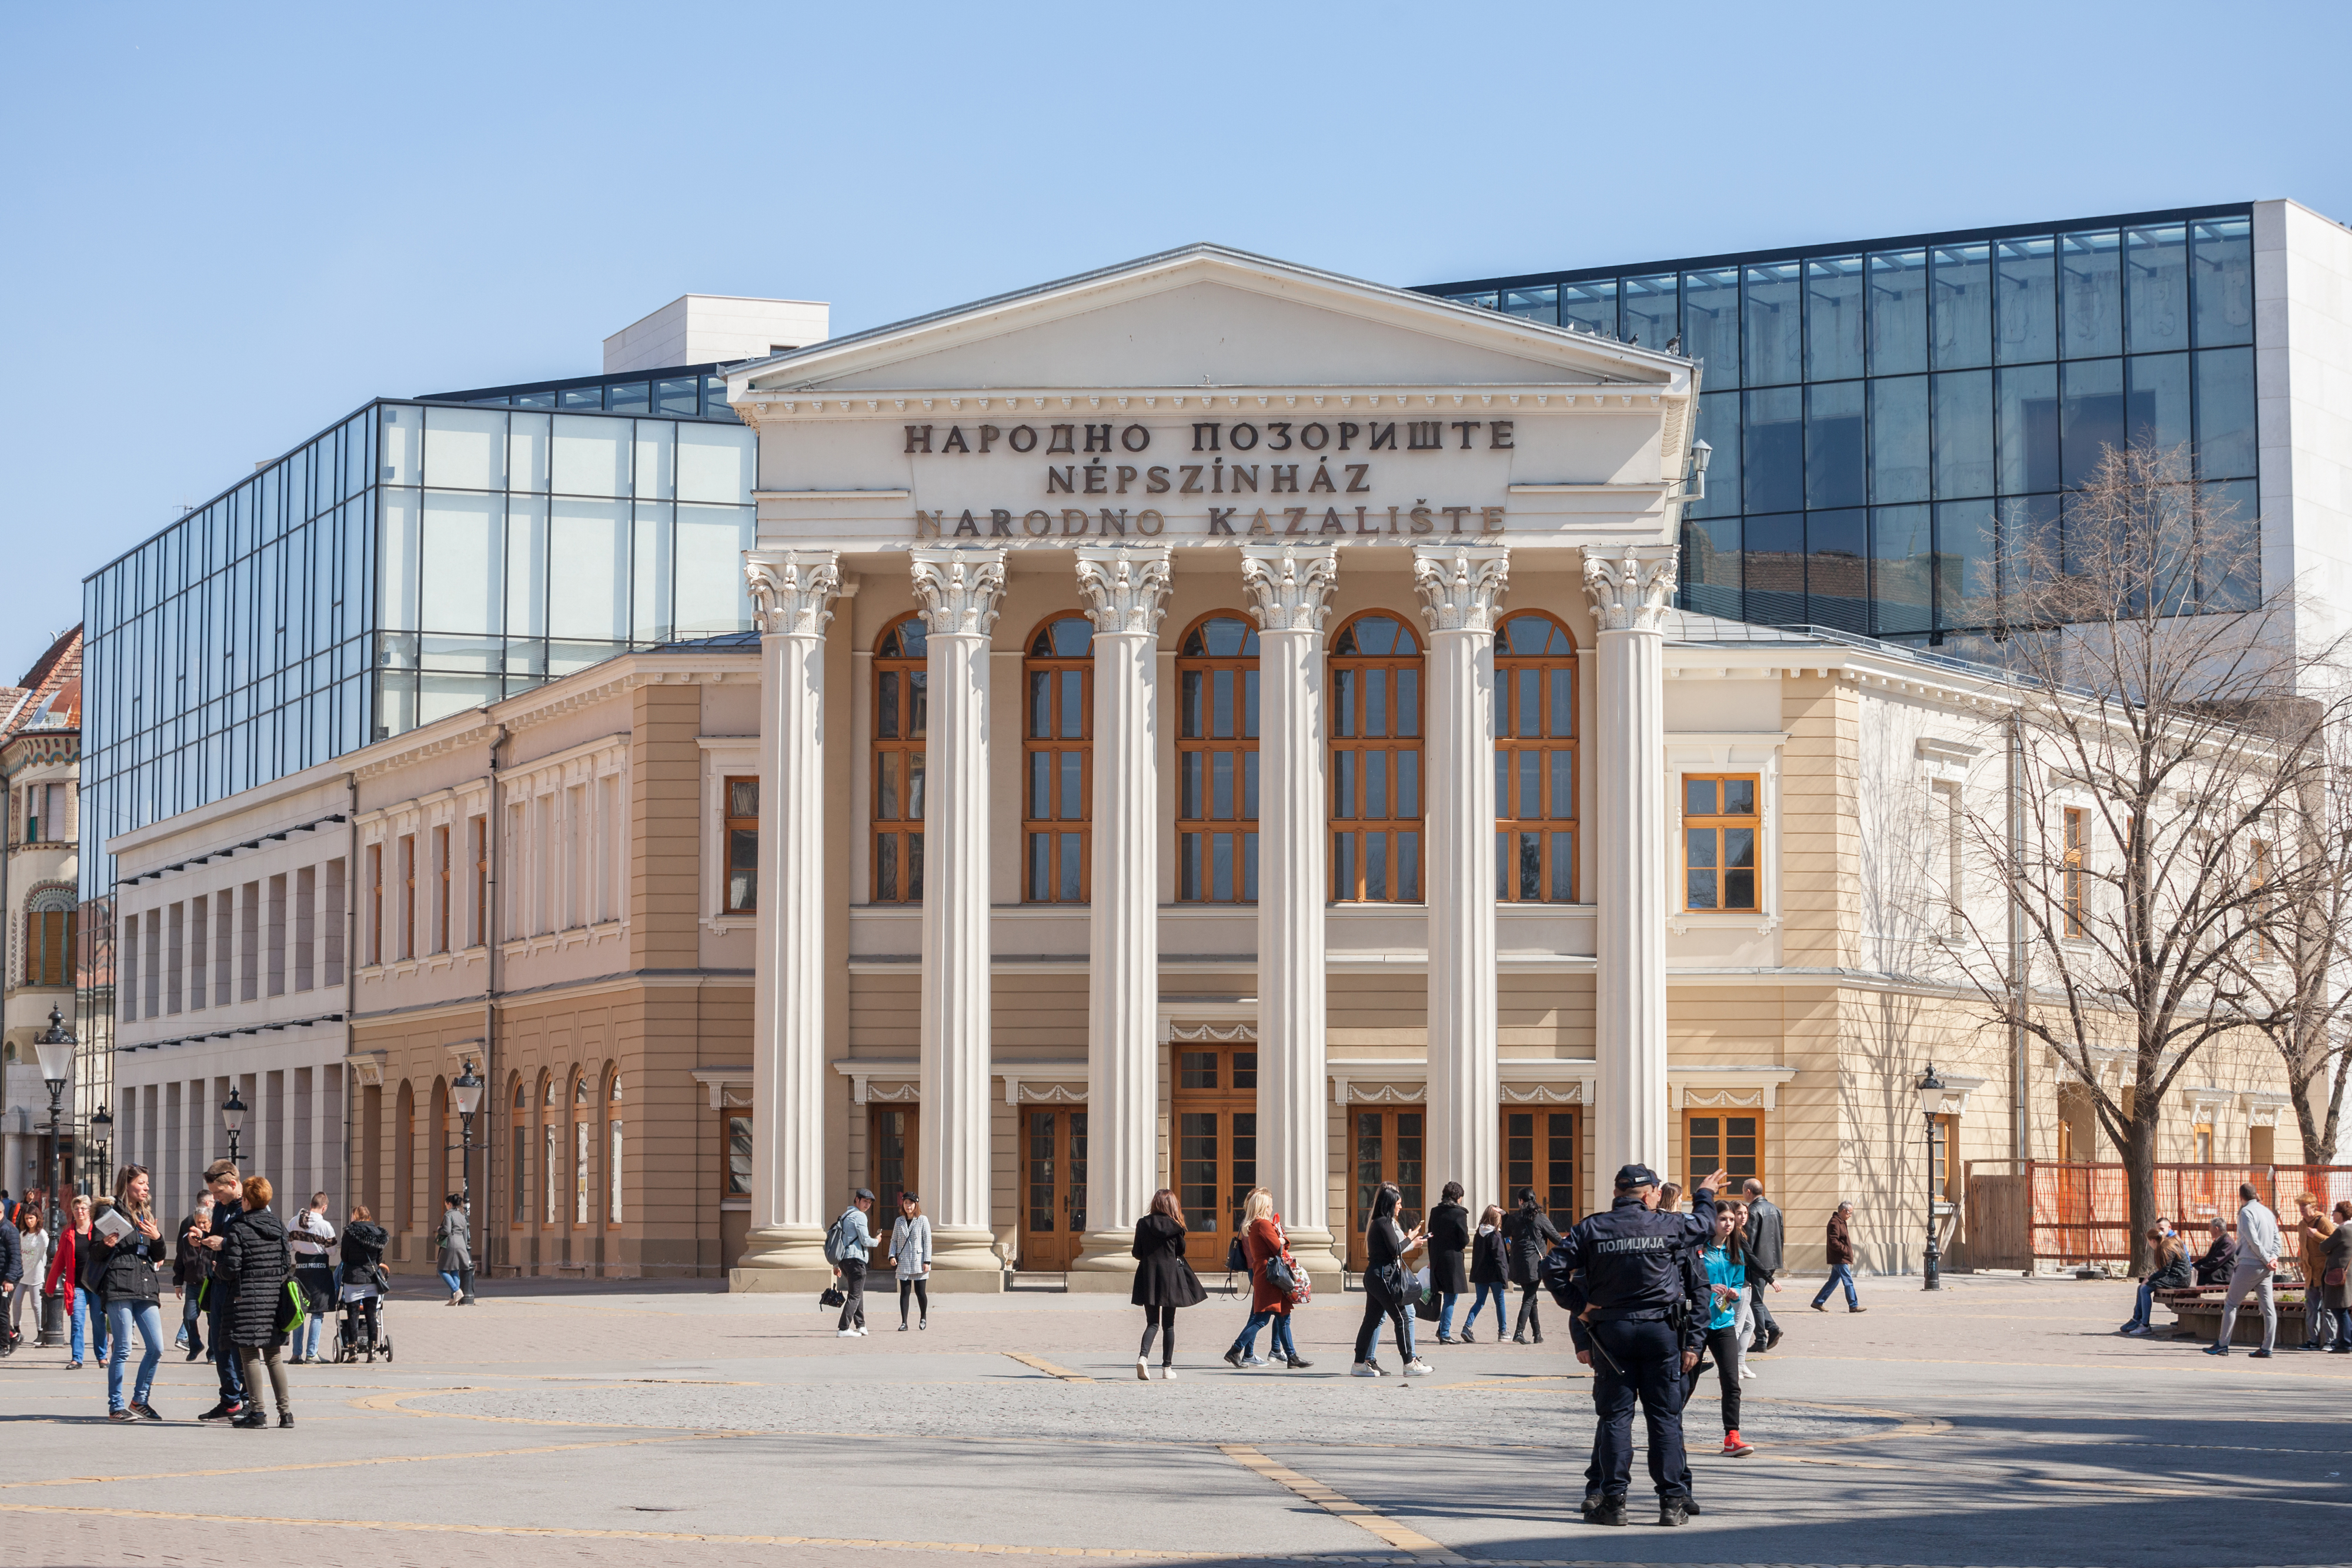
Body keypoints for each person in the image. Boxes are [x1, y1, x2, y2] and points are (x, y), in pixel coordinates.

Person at [1552, 1164, 1726, 1528]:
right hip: (1659, 1332)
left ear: (1616, 1194)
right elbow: (1704, 1226)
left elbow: (1552, 1268)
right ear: (1650, 1195)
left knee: (1616, 1418)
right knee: (1664, 1417)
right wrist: (1705, 1193)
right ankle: (1671, 1502)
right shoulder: (1665, 1225)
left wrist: (1579, 1305)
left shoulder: (1592, 1228)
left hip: (1612, 1333)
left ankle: (1614, 1502)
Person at [218, 1175, 294, 1429]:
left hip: (247, 1299)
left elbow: (232, 1268)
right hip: (274, 1299)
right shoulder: (278, 1225)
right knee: (274, 1356)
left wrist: (218, 1269)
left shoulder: (239, 1227)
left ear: (247, 1201)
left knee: (249, 1354)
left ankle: (258, 1413)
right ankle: (286, 1414)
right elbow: (286, 1264)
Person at [94, 1166, 168, 1423]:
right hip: (118, 1283)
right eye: (142, 1182)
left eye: (147, 1183)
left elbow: (158, 1255)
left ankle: (140, 1400)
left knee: (157, 1347)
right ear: (127, 1184)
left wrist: (157, 1238)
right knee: (123, 1347)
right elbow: (95, 1252)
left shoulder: (145, 1213)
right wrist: (105, 1244)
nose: (147, 1187)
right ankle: (116, 1406)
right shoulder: (109, 1210)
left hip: (145, 1284)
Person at [186, 1162, 248, 1417]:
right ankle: (230, 1399)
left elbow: (254, 1242)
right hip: (219, 1281)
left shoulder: (250, 1206)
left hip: (242, 1286)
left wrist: (224, 1243)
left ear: (233, 1184)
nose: (216, 1200)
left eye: (219, 1194)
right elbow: (221, 1239)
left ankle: (248, 1399)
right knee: (218, 1342)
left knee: (238, 1344)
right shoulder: (222, 1208)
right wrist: (202, 1240)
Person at [1224, 1188, 1311, 1370]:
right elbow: (1278, 1248)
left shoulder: (1255, 1225)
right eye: (1270, 1206)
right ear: (1264, 1207)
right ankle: (1235, 1350)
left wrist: (1281, 1240)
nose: (1272, 1209)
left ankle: (1292, 1356)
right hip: (1270, 1275)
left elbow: (1279, 1243)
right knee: (1262, 1318)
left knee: (1283, 1316)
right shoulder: (1263, 1224)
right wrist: (1282, 1239)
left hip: (1268, 1274)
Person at [1351, 1182, 1429, 1376]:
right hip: (1382, 1276)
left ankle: (1359, 1363)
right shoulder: (1383, 1222)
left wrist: (1408, 1239)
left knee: (1371, 1320)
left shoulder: (1380, 1222)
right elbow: (1395, 1249)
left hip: (1375, 1275)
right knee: (1401, 1317)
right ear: (1390, 1203)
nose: (1401, 1207)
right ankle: (1409, 1363)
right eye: (1398, 1203)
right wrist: (1410, 1238)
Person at [1694, 1204, 1754, 1457]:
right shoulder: (1698, 1249)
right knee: (1685, 1382)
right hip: (1697, 1323)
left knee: (1731, 1381)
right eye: (1723, 1219)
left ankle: (1732, 1437)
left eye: (1731, 1219)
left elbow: (1739, 1283)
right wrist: (1707, 1287)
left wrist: (1735, 1292)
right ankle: (1668, 1430)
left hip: (1724, 1322)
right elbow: (1686, 1281)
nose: (1729, 1224)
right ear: (1712, 1221)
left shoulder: (1735, 1250)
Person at [1130, 1188, 1205, 1380]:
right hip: (1171, 1278)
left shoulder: (1143, 1224)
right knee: (1169, 1325)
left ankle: (1143, 1359)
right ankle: (1167, 1368)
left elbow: (1136, 1252)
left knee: (1152, 1323)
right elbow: (1181, 1251)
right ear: (1172, 1206)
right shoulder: (1176, 1227)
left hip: (1148, 1276)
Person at [2209, 1182, 2282, 1358]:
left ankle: (2222, 1344)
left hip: (2250, 1264)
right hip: (2267, 1267)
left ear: (2241, 1197)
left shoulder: (2245, 1212)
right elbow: (2276, 1239)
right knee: (2268, 1308)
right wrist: (2273, 1258)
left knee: (2231, 1304)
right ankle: (2267, 1347)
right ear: (2257, 1194)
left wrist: (2265, 1259)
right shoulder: (2268, 1212)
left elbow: (2252, 1240)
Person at [45, 1194, 105, 1369]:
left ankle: (102, 1357)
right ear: (73, 1211)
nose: (80, 1211)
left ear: (89, 1211)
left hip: (96, 1286)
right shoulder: (68, 1234)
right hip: (77, 1285)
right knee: (77, 1321)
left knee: (99, 1321)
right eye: (77, 1208)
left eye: (84, 1208)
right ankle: (77, 1358)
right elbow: (58, 1262)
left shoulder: (98, 1231)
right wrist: (50, 1285)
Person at [1503, 1189, 1563, 1343]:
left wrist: (1505, 1217)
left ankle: (1537, 1334)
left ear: (1521, 1201)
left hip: (1517, 1265)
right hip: (1535, 1265)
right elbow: (1556, 1238)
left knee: (1532, 1298)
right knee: (1529, 1299)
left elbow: (1504, 1232)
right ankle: (1519, 1332)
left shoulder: (1515, 1218)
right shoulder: (1540, 1218)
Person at [288, 1193, 335, 1362]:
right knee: (317, 1313)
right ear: (324, 1208)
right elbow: (332, 1251)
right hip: (319, 1272)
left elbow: (289, 1245)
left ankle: (296, 1353)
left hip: (300, 1271)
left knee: (301, 1311)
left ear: (310, 1205)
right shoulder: (325, 1226)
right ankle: (312, 1353)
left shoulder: (294, 1222)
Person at [1740, 1179, 1786, 1353]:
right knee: (1756, 1299)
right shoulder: (1776, 1209)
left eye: (1744, 1191)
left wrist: (1746, 1264)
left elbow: (1749, 1241)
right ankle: (1770, 1330)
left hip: (1758, 1262)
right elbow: (1781, 1237)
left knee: (1756, 1302)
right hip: (1772, 1260)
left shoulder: (1753, 1210)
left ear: (1749, 1192)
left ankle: (1762, 1338)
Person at [338, 1205, 389, 1360]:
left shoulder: (349, 1234)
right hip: (371, 1279)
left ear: (356, 1216)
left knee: (352, 1315)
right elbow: (379, 1260)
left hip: (353, 1279)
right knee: (371, 1315)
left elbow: (344, 1257)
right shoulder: (378, 1234)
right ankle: (372, 1352)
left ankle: (353, 1353)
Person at [2120, 1226, 2191, 1336]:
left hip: (2179, 1278)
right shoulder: (2165, 1245)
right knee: (2142, 1287)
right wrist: (2151, 1277)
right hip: (2176, 1276)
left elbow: (2165, 1271)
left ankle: (2145, 1325)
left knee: (2145, 1289)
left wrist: (2150, 1278)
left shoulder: (2165, 1247)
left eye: (2149, 1242)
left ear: (2153, 1241)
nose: (2149, 1244)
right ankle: (2137, 1319)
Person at [172, 1182, 215, 1360]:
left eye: (204, 1223)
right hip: (193, 1283)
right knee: (189, 1318)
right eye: (198, 1223)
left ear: (210, 1223)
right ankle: (195, 1344)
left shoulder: (215, 1237)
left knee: (213, 1321)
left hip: (211, 1283)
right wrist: (177, 1282)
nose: (201, 1226)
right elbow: (180, 1256)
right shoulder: (187, 1233)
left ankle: (212, 1354)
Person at [1425, 1182, 1471, 1344]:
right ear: (1457, 1197)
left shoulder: (1435, 1211)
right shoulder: (1459, 1214)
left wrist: (1431, 1258)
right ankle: (1445, 1333)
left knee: (1444, 1294)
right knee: (1451, 1296)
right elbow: (1464, 1239)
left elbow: (1430, 1236)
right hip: (1453, 1260)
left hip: (1437, 1258)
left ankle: (1441, 1329)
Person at [828, 1188, 876, 1338]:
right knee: (855, 1295)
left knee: (857, 1293)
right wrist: (878, 1241)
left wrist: (836, 1265)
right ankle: (843, 1328)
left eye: (869, 1203)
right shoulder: (859, 1217)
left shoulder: (844, 1216)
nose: (867, 1205)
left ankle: (861, 1325)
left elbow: (839, 1242)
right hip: (856, 1261)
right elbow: (865, 1240)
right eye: (865, 1201)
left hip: (844, 1261)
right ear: (857, 1200)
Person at [1459, 1203, 1509, 1343]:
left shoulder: (1478, 1234)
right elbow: (1499, 1258)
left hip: (1480, 1274)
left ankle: (1467, 1326)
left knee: (1480, 1302)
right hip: (1495, 1275)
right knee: (1500, 1302)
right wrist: (1505, 1278)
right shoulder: (1495, 1235)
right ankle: (1503, 1331)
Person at [2293, 1194, 2336, 1350]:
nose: (2302, 1208)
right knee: (2311, 1309)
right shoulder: (2301, 1225)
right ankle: (2313, 1340)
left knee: (2327, 1309)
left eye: (2305, 1205)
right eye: (2300, 1205)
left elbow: (2335, 1243)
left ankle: (2331, 1341)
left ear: (2313, 1206)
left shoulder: (2323, 1221)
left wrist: (2316, 1235)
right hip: (2310, 1275)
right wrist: (2303, 1268)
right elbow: (2303, 1250)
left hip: (2324, 1273)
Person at [888, 1192, 932, 1331]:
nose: (908, 1206)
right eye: (906, 1203)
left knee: (920, 1293)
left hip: (919, 1261)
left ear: (916, 1204)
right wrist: (891, 1256)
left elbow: (927, 1242)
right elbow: (894, 1240)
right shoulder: (899, 1221)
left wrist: (927, 1261)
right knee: (904, 1293)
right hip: (904, 1261)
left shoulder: (923, 1220)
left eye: (911, 1203)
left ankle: (923, 1317)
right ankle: (904, 1322)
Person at [1810, 1202, 1864, 1313]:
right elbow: (1833, 1241)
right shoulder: (1835, 1222)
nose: (1850, 1216)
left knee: (1833, 1281)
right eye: (1850, 1213)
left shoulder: (1841, 1222)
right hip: (1839, 1258)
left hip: (1840, 1257)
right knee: (1848, 1281)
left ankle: (1818, 1302)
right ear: (1844, 1211)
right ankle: (1853, 1305)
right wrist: (1845, 1250)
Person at [7, 1207, 46, 1355]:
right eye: (27, 1219)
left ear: (37, 1218)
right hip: (22, 1274)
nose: (29, 1221)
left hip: (36, 1274)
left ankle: (41, 1330)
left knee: (36, 1304)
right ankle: (16, 1328)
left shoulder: (42, 1235)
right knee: (16, 1302)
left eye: (32, 1218)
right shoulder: (22, 1234)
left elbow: (48, 1251)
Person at [2323, 1201, 2352, 1353]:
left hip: (2339, 1276)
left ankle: (2346, 1343)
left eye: (2334, 1211)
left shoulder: (2341, 1231)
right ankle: (2345, 1340)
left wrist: (2316, 1235)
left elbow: (2324, 1246)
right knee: (2342, 1309)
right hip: (2348, 1275)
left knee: (2339, 1309)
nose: (2332, 1214)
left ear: (2340, 1214)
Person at [436, 1193, 472, 1306]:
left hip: (451, 1244)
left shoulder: (448, 1215)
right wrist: (464, 1246)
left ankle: (456, 1291)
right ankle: (453, 1299)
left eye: (446, 1204)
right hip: (461, 1244)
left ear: (450, 1204)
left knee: (441, 1270)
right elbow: (466, 1235)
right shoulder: (462, 1216)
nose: (446, 1206)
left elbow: (447, 1231)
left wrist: (439, 1229)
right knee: (454, 1270)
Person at [2193, 1216, 2237, 1285]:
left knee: (2200, 1277)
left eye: (2210, 1227)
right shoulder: (2219, 1241)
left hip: (2224, 1275)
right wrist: (2193, 1266)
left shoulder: (2228, 1243)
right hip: (2218, 1272)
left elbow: (2215, 1263)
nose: (2209, 1230)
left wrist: (2198, 1269)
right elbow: (2207, 1259)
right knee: (2197, 1276)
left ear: (2216, 1229)